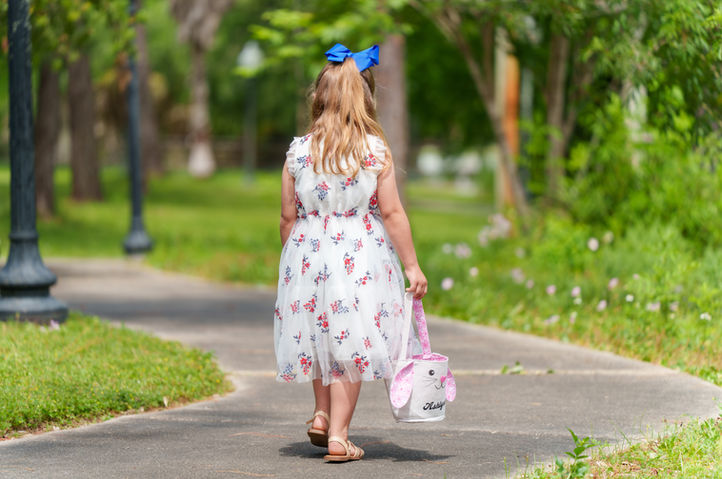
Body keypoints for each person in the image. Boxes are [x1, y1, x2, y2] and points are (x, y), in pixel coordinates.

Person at [273, 43, 427, 462]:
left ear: (318, 97)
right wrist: (411, 265)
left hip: (308, 255)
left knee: (322, 333)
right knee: (351, 341)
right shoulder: (374, 151)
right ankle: (339, 436)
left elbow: (289, 216)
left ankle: (321, 414)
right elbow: (392, 212)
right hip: (359, 255)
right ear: (366, 97)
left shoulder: (298, 152)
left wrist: (296, 260)